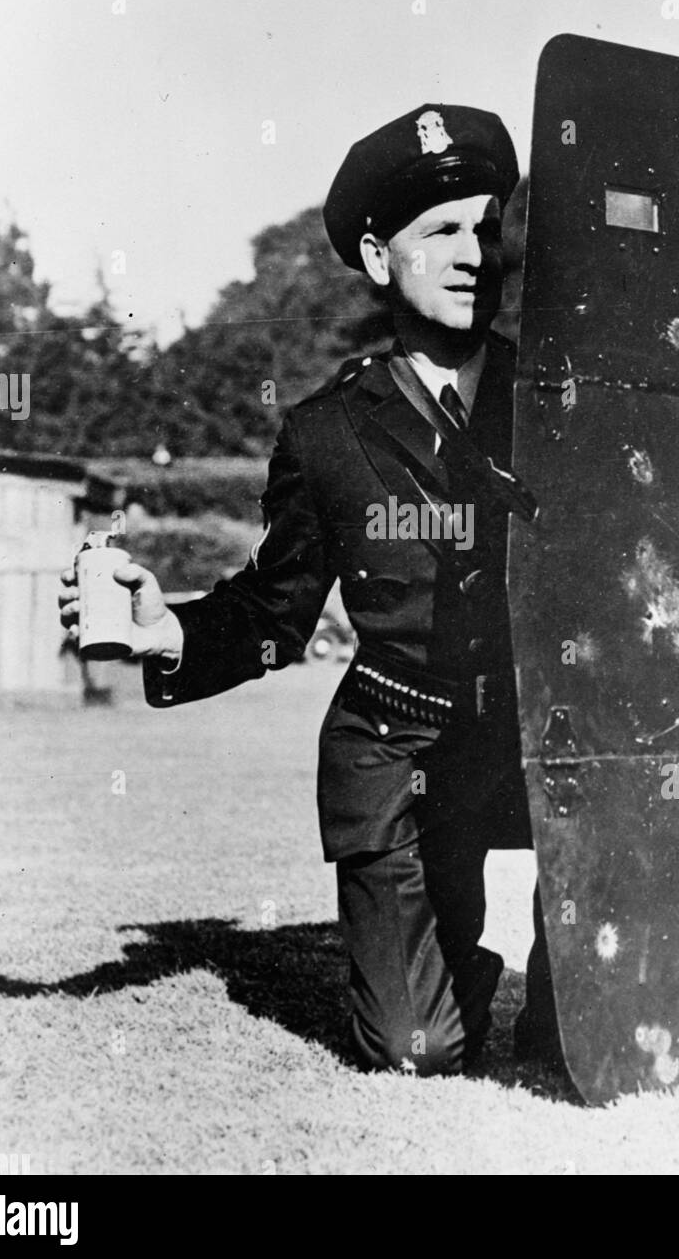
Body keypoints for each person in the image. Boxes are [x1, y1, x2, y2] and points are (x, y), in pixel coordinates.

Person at [59, 103, 560, 1076]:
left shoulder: (561, 402)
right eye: (441, 230)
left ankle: (557, 974)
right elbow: (274, 611)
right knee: (419, 1048)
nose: (473, 252)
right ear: (379, 257)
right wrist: (170, 632)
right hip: (399, 749)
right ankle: (451, 962)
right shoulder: (326, 433)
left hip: (536, 741)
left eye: (486, 225)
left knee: (576, 1038)